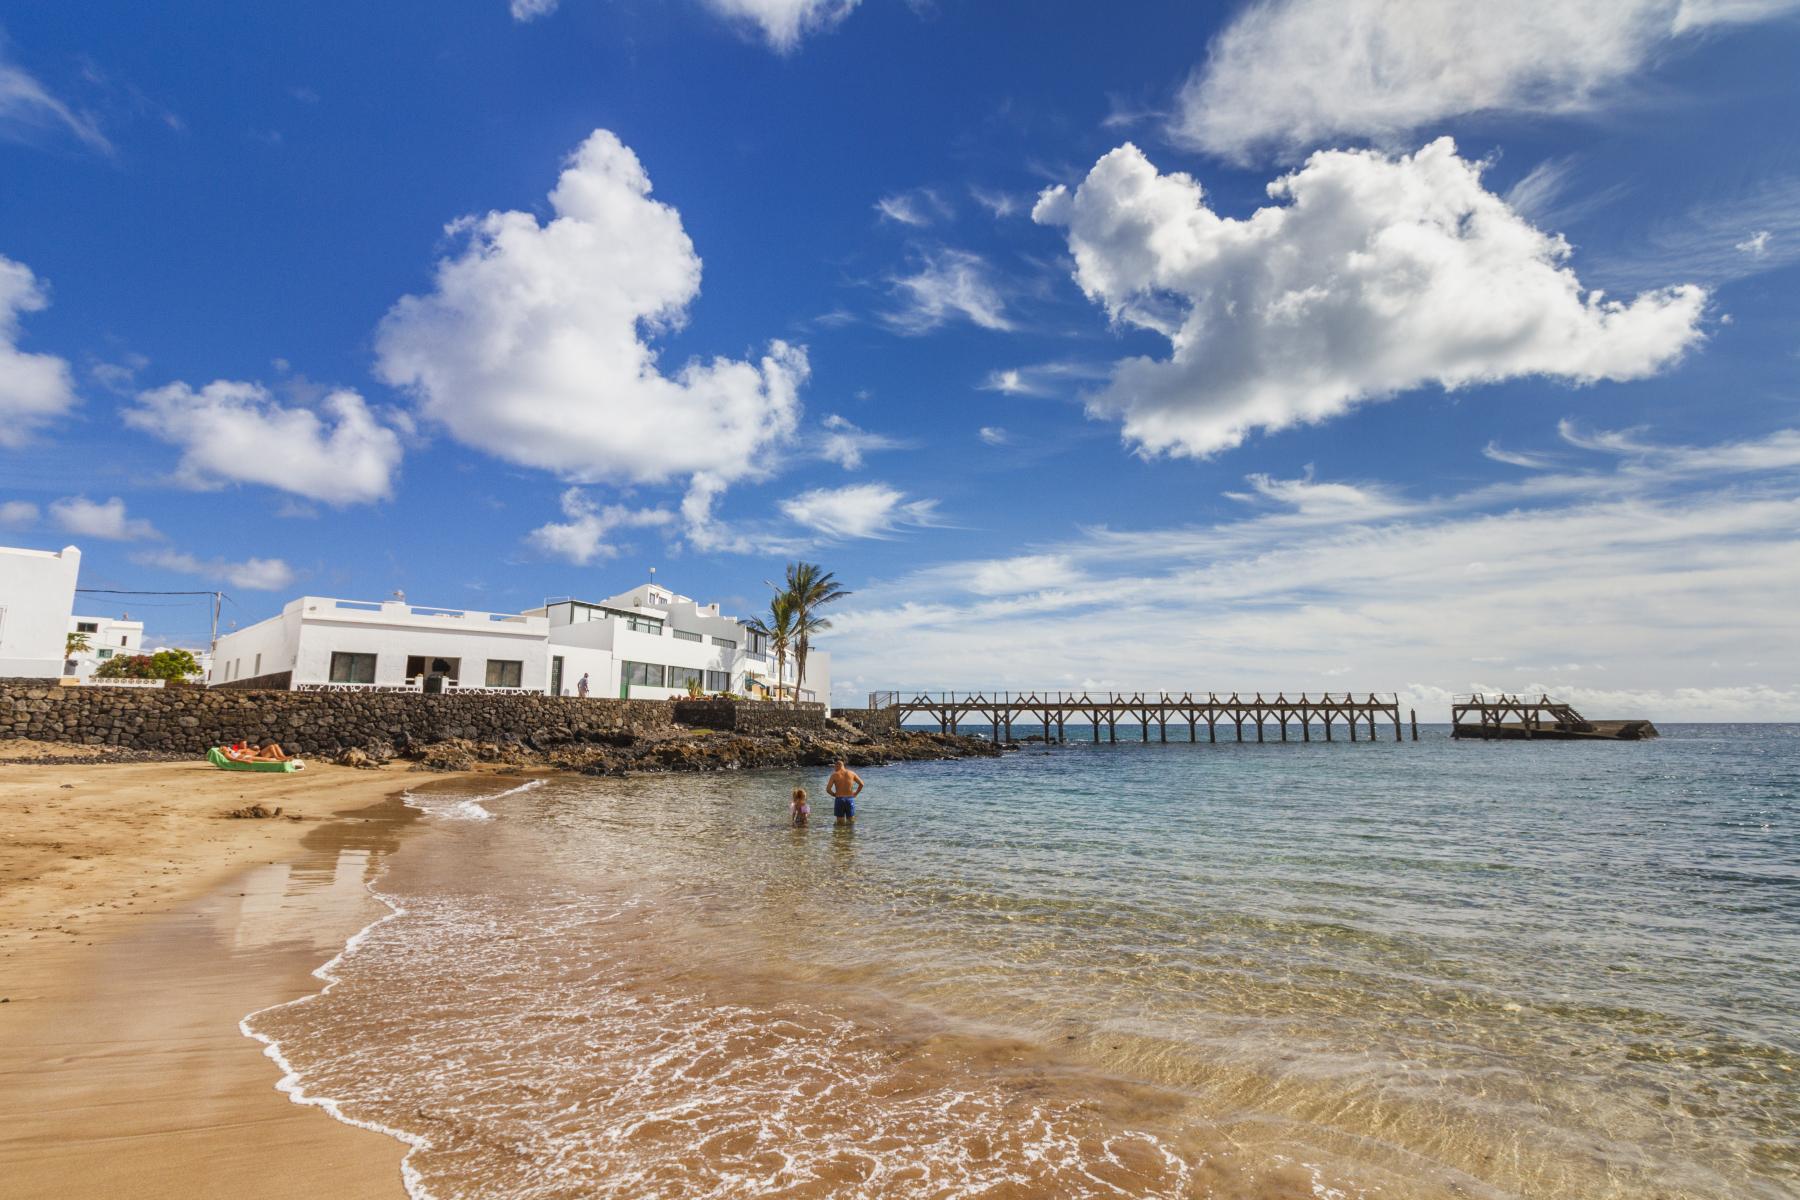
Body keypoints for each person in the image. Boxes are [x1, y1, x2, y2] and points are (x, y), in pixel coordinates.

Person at [826, 759, 863, 823]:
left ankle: (840, 832)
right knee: (851, 821)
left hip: (839, 799)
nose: (834, 769)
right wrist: (856, 793)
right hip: (850, 799)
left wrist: (834, 794)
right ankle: (850, 832)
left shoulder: (834, 775)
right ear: (843, 766)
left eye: (835, 767)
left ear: (837, 766)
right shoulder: (852, 773)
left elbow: (828, 789)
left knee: (840, 822)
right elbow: (861, 784)